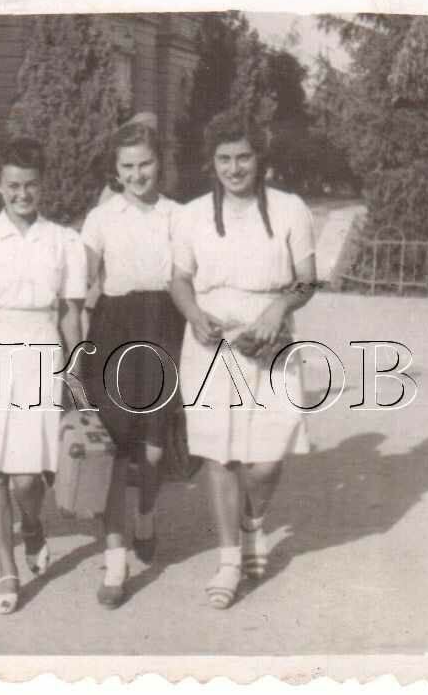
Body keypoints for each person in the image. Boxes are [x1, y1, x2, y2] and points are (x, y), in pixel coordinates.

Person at [170, 110, 317, 609]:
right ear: (211, 162)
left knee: (264, 461)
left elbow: (306, 279)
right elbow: (180, 278)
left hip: (270, 341)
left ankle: (255, 522)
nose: (234, 168)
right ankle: (230, 559)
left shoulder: (290, 209)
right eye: (224, 158)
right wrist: (193, 313)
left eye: (244, 157)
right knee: (220, 454)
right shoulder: (190, 215)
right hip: (211, 344)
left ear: (260, 158)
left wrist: (279, 308)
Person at [0, 138, 85, 614]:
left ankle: (32, 524)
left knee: (28, 477)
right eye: (13, 186)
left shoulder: (64, 241)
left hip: (41, 348)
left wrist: (76, 371)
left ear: (43, 184)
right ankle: (6, 571)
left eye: (30, 185)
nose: (22, 194)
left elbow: (71, 311)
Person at [80, 121, 187, 608]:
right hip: (114, 326)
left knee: (154, 449)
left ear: (158, 162)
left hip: (163, 323)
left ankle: (145, 514)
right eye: (127, 166)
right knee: (116, 446)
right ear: (115, 170)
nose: (137, 174)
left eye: (145, 163)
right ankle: (117, 561)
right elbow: (81, 280)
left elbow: (192, 278)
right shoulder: (101, 218)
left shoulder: (178, 216)